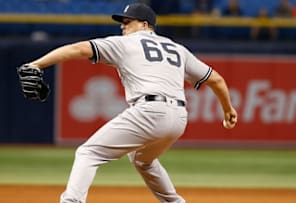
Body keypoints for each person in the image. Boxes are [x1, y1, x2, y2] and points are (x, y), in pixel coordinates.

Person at [17, 3, 238, 203]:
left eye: (127, 22)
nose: (123, 26)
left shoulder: (126, 43)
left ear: (144, 25)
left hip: (150, 110)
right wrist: (227, 109)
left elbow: (77, 49)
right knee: (143, 160)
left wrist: (37, 64)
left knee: (88, 153)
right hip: (179, 118)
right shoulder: (178, 49)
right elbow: (216, 79)